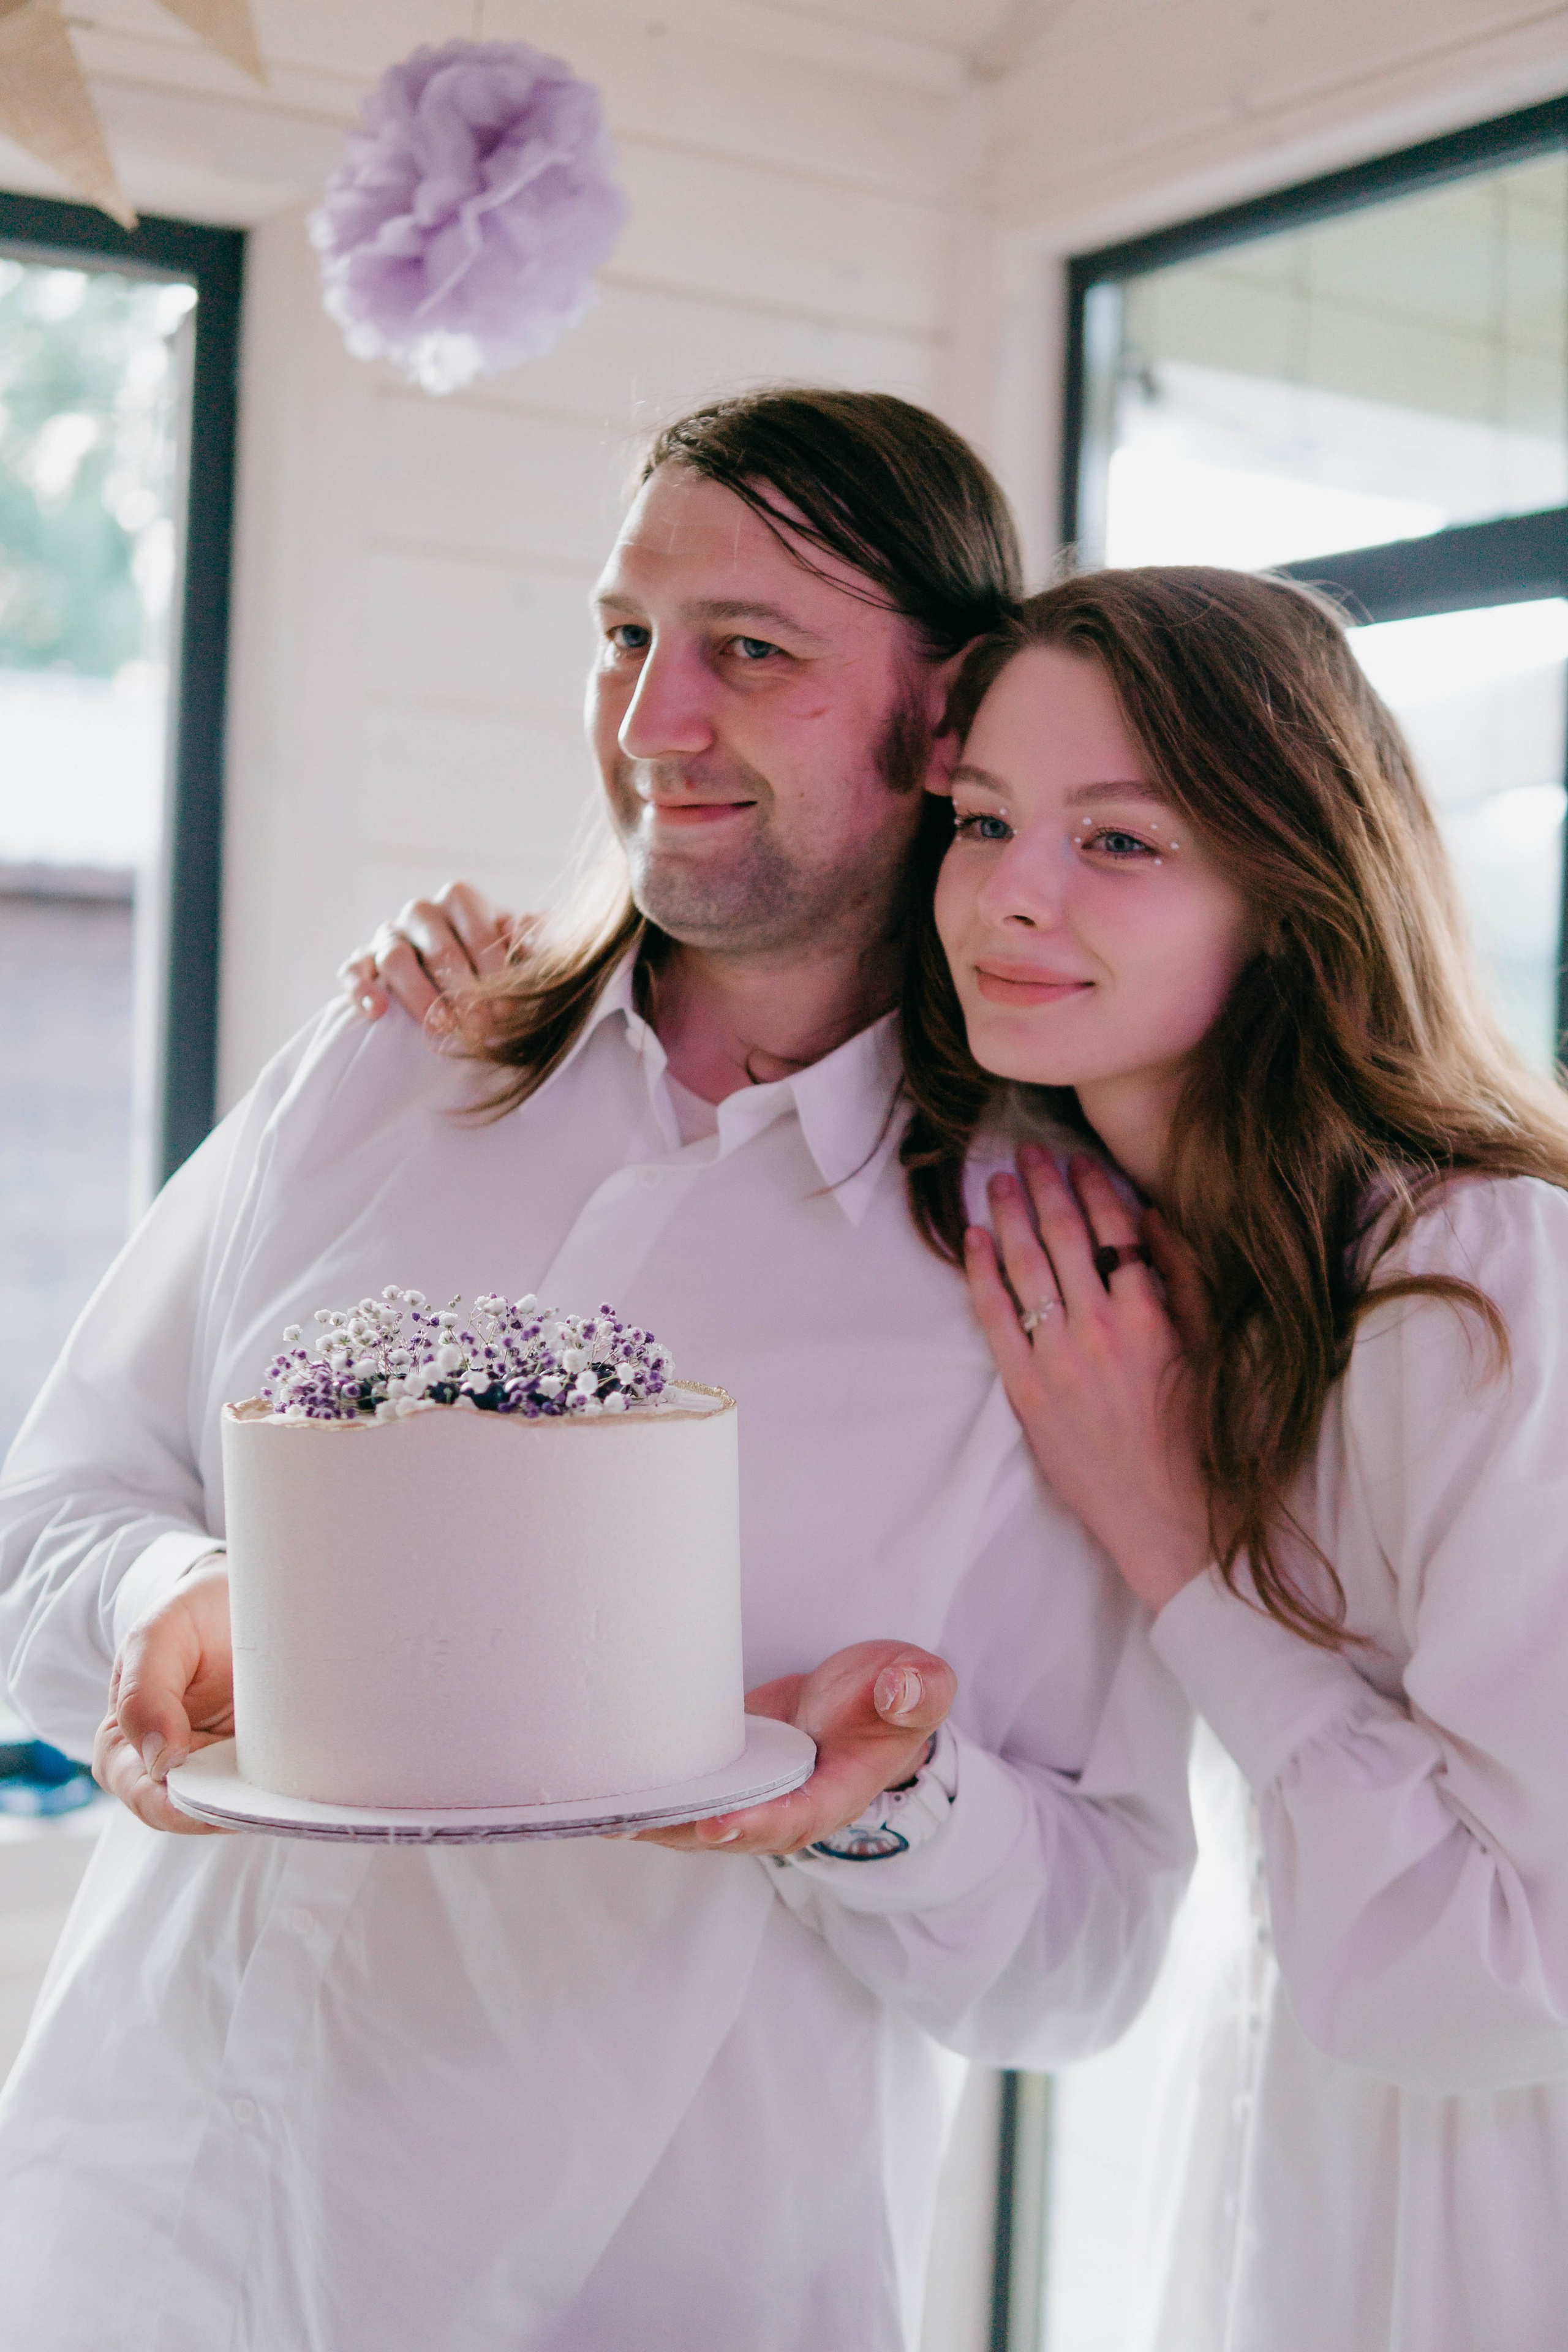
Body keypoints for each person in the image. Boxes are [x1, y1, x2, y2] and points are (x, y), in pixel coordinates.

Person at [0, 391, 1193, 2352]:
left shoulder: (1046, 1272)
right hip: (133, 2243)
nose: (650, 722)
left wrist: (878, 1803)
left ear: (950, 710)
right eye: (625, 635)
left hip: (641, 2295)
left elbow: (1087, 1963)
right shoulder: (390, 1061)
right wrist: (174, 1600)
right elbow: (51, 1519)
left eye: (750, 650)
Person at [930, 569, 1568, 2351]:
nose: (1013, 896)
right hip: (1306, 2159)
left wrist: (1176, 1554)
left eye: (1119, 843)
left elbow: (1508, 1978)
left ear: (1291, 895)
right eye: (983, 821)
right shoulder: (1127, 1258)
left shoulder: (1489, 1291)